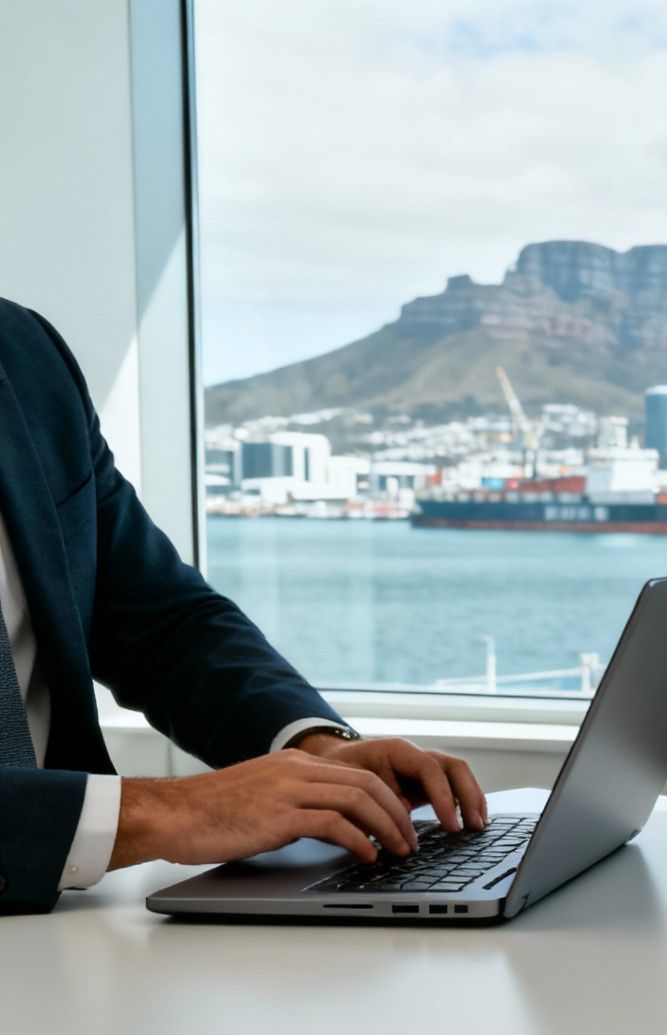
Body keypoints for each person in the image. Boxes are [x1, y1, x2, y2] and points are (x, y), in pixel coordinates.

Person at [0, 298, 488, 918]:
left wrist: (314, 747)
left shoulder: (24, 350)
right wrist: (176, 811)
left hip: (56, 931)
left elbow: (159, 618)